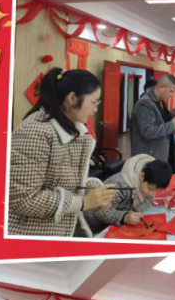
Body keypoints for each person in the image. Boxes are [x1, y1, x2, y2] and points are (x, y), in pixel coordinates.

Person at [8, 68, 117, 237]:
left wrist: (91, 189)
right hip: (29, 233)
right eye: (93, 102)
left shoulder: (72, 129)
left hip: (58, 230)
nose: (95, 109)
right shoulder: (35, 132)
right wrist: (83, 202)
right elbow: (23, 199)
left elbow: (61, 178)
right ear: (72, 98)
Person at [83, 156, 173, 234]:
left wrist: (134, 212)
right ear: (142, 176)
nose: (152, 194)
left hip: (112, 225)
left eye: (157, 191)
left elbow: (146, 201)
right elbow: (100, 212)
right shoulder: (119, 185)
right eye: (151, 189)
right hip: (91, 226)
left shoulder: (150, 182)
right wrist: (124, 217)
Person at [130, 73, 175, 161]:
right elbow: (148, 132)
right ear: (161, 87)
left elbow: (162, 125)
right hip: (147, 157)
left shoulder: (160, 102)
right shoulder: (145, 103)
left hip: (159, 154)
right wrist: (172, 125)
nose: (172, 95)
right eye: (171, 92)